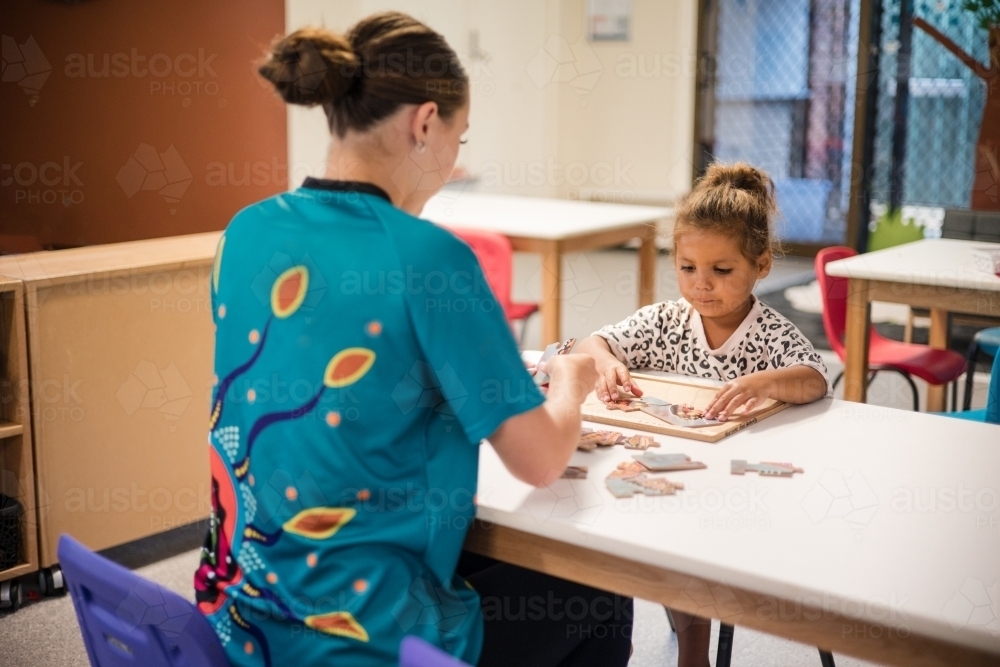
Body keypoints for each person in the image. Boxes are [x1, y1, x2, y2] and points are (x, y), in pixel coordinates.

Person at [194, 12, 631, 667]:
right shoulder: (431, 259)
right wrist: (570, 382)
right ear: (425, 123)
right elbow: (540, 462)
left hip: (242, 616)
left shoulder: (244, 232)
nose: (457, 161)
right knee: (602, 589)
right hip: (366, 642)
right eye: (460, 138)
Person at [576, 161, 829, 667]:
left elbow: (814, 378)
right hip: (665, 473)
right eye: (688, 268)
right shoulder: (667, 319)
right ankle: (608, 641)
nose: (701, 285)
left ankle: (695, 653)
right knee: (596, 522)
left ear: (761, 266)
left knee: (689, 539)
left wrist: (763, 381)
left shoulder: (769, 332)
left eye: (721, 270)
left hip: (733, 487)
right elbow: (594, 341)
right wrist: (603, 361)